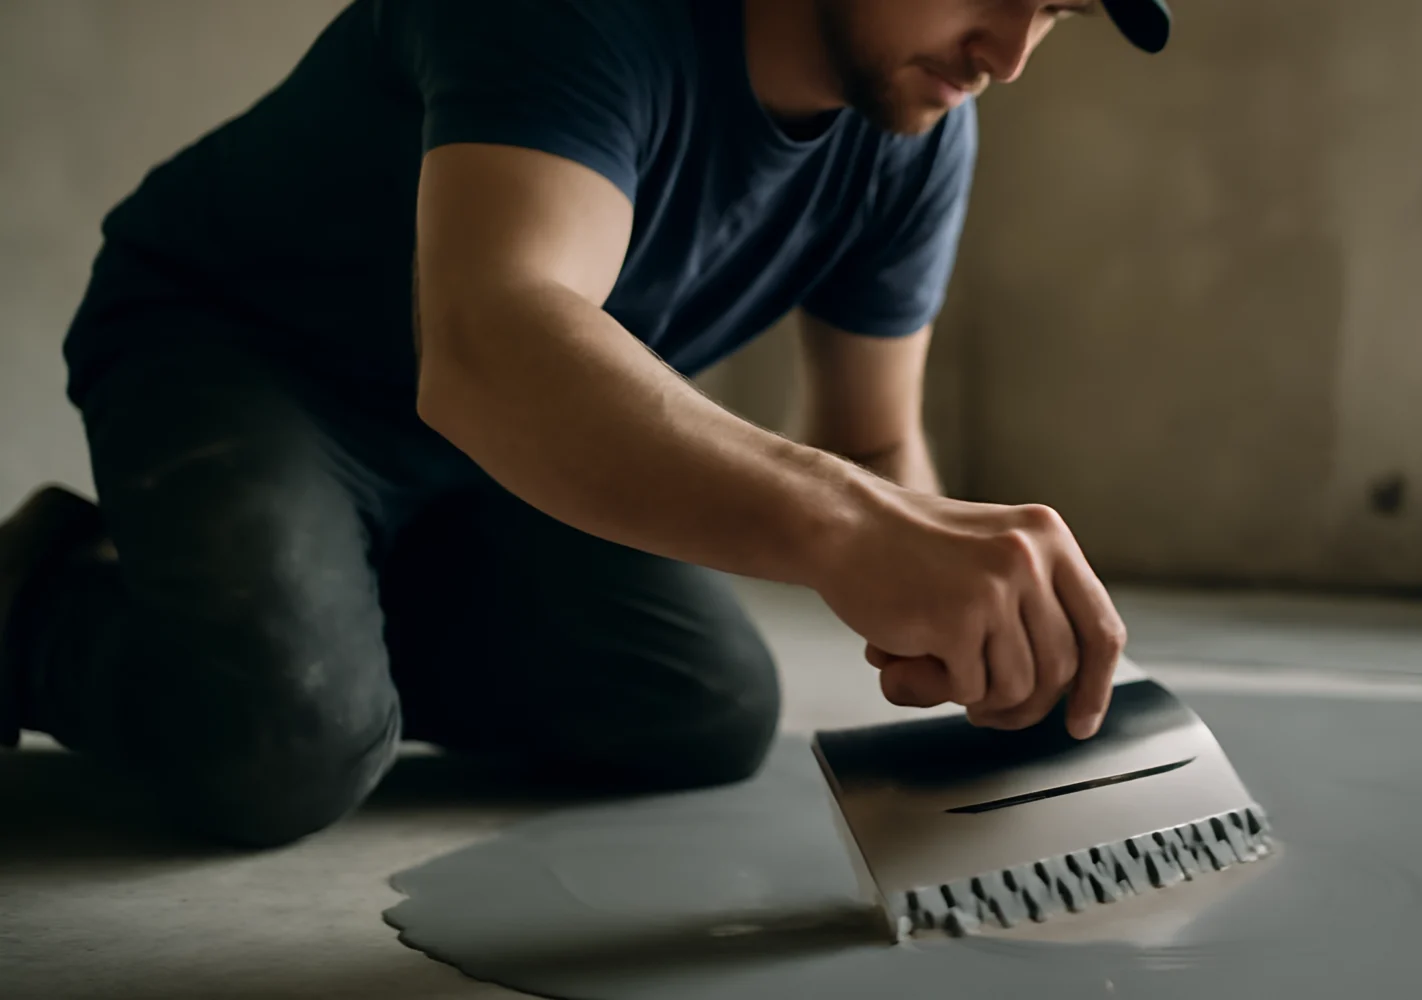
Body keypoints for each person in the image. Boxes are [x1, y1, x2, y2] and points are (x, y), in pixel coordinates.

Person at [0, 0, 1172, 848]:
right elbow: (491, 343)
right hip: (248, 357)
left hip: (500, 448)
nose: (1008, 54)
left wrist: (982, 639)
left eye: (1054, 11)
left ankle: (301, 606)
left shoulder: (915, 129)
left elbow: (871, 448)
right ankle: (36, 599)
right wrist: (849, 527)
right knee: (285, 742)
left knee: (700, 709)